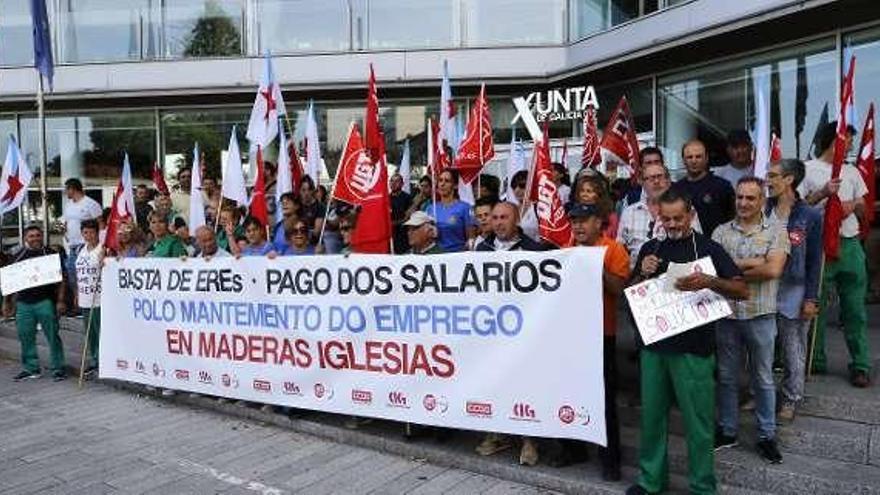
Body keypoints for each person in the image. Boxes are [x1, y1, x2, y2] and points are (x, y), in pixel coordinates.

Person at [627, 189, 748, 495]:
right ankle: (651, 480)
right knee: (652, 420)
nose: (673, 224)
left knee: (699, 424)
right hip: (654, 348)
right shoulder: (650, 249)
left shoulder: (710, 248)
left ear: (691, 214)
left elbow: (741, 289)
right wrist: (642, 273)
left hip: (694, 351)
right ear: (659, 217)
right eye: (666, 219)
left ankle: (703, 486)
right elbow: (631, 293)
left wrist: (711, 281)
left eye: (678, 218)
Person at [712, 177, 789, 464]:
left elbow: (773, 270)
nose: (743, 203)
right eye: (740, 197)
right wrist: (754, 262)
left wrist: (731, 269)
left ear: (762, 201)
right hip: (728, 315)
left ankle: (767, 435)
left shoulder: (776, 231)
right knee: (727, 376)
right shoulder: (720, 232)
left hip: (760, 315)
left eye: (750, 198)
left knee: (763, 378)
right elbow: (713, 272)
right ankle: (728, 430)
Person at [549, 203, 629, 481]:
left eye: (585, 220)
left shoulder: (614, 250)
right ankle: (573, 449)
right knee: (569, 392)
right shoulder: (565, 250)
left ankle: (611, 460)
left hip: (601, 335)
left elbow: (619, 288)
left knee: (605, 399)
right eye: (574, 221)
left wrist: (592, 262)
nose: (578, 226)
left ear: (600, 223)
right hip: (570, 335)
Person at [798, 122, 870, 386]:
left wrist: (852, 206)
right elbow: (799, 207)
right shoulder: (807, 169)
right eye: (847, 138)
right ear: (834, 139)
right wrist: (823, 194)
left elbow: (864, 207)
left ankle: (860, 364)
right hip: (819, 245)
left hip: (849, 244)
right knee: (815, 305)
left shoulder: (852, 171)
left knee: (855, 308)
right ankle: (814, 360)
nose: (850, 144)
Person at [475, 201, 544, 465]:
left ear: (516, 220)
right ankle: (495, 433)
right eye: (495, 217)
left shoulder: (535, 250)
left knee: (524, 386)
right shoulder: (482, 250)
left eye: (505, 217)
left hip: (524, 333)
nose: (499, 222)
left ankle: (529, 441)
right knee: (492, 382)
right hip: (491, 332)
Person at [766, 159, 823, 421]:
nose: (767, 180)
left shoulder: (809, 215)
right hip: (764, 286)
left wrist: (811, 298)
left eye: (773, 175)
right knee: (762, 345)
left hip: (794, 290)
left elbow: (814, 261)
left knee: (793, 347)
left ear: (789, 179)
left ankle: (790, 398)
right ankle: (760, 394)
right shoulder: (763, 208)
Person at [6, 225, 68, 381]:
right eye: (31, 236)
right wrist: (7, 302)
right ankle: (31, 368)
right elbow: (10, 280)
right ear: (25, 238)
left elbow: (62, 280)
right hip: (24, 303)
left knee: (53, 335)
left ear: (42, 237)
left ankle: (58, 367)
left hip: (45, 302)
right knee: (25, 337)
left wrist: (60, 300)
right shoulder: (18, 255)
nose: (35, 238)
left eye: (37, 235)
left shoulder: (51, 254)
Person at [617, 162, 702, 270]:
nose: (656, 182)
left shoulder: (687, 210)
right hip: (639, 276)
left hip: (679, 272)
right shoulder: (629, 212)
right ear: (643, 183)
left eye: (660, 177)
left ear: (668, 181)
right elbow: (620, 249)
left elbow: (697, 244)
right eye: (651, 178)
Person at [674, 139, 735, 236]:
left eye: (698, 157)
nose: (694, 161)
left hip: (716, 245)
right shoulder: (675, 189)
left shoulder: (722, 186)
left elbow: (733, 220)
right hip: (684, 245)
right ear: (683, 160)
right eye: (689, 157)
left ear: (706, 158)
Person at [60, 178, 102, 314]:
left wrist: (99, 243)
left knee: (87, 274)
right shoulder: (68, 205)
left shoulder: (90, 203)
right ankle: (78, 301)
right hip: (72, 244)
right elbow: (67, 222)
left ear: (73, 188)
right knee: (73, 274)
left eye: (67, 189)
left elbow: (100, 223)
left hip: (86, 245)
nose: (66, 192)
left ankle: (86, 303)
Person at [76, 220, 104, 379]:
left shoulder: (103, 249)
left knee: (99, 330)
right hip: (85, 298)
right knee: (90, 333)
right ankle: (94, 358)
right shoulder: (82, 250)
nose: (88, 235)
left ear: (97, 232)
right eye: (85, 232)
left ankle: (102, 359)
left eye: (91, 232)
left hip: (98, 297)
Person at [424, 169, 475, 252]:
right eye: (440, 180)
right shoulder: (430, 208)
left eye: (447, 181)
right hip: (434, 257)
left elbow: (471, 239)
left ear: (455, 185)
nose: (442, 184)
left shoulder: (465, 207)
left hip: (457, 257)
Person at [571, 173, 619, 238]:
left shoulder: (611, 217)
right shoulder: (573, 213)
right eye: (582, 191)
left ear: (598, 194)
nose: (584, 194)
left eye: (589, 191)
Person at [507, 170, 539, 241]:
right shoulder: (510, 209)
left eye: (522, 186)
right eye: (514, 186)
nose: (517, 190)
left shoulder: (539, 208)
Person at [390, 173, 413, 254]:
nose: (393, 183)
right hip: (391, 238)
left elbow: (409, 217)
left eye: (396, 181)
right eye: (391, 181)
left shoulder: (407, 198)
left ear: (402, 184)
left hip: (404, 237)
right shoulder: (386, 199)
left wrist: (394, 223)